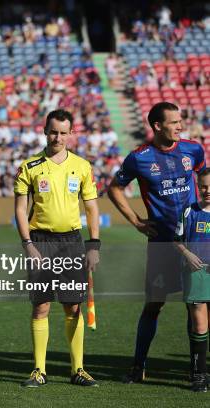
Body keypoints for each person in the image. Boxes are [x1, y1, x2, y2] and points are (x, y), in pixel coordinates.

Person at [108, 102, 206, 383]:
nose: (180, 126)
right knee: (154, 305)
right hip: (162, 244)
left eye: (180, 121)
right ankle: (138, 367)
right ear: (157, 126)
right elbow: (114, 188)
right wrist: (136, 221)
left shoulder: (193, 150)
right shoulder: (139, 158)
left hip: (194, 243)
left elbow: (205, 178)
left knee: (195, 304)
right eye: (174, 122)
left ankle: (196, 370)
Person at [14, 109, 100, 387]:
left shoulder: (82, 166)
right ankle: (39, 370)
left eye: (63, 132)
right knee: (41, 307)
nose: (58, 137)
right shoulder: (29, 167)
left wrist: (93, 245)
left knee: (73, 307)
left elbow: (91, 208)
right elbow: (19, 209)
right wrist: (28, 244)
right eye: (53, 131)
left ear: (71, 134)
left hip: (72, 243)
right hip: (41, 242)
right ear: (45, 131)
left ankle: (78, 369)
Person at [174, 168, 210, 392]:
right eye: (204, 186)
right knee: (199, 324)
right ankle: (198, 374)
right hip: (196, 273)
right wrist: (187, 254)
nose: (208, 190)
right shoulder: (189, 211)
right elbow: (176, 239)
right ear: (198, 185)